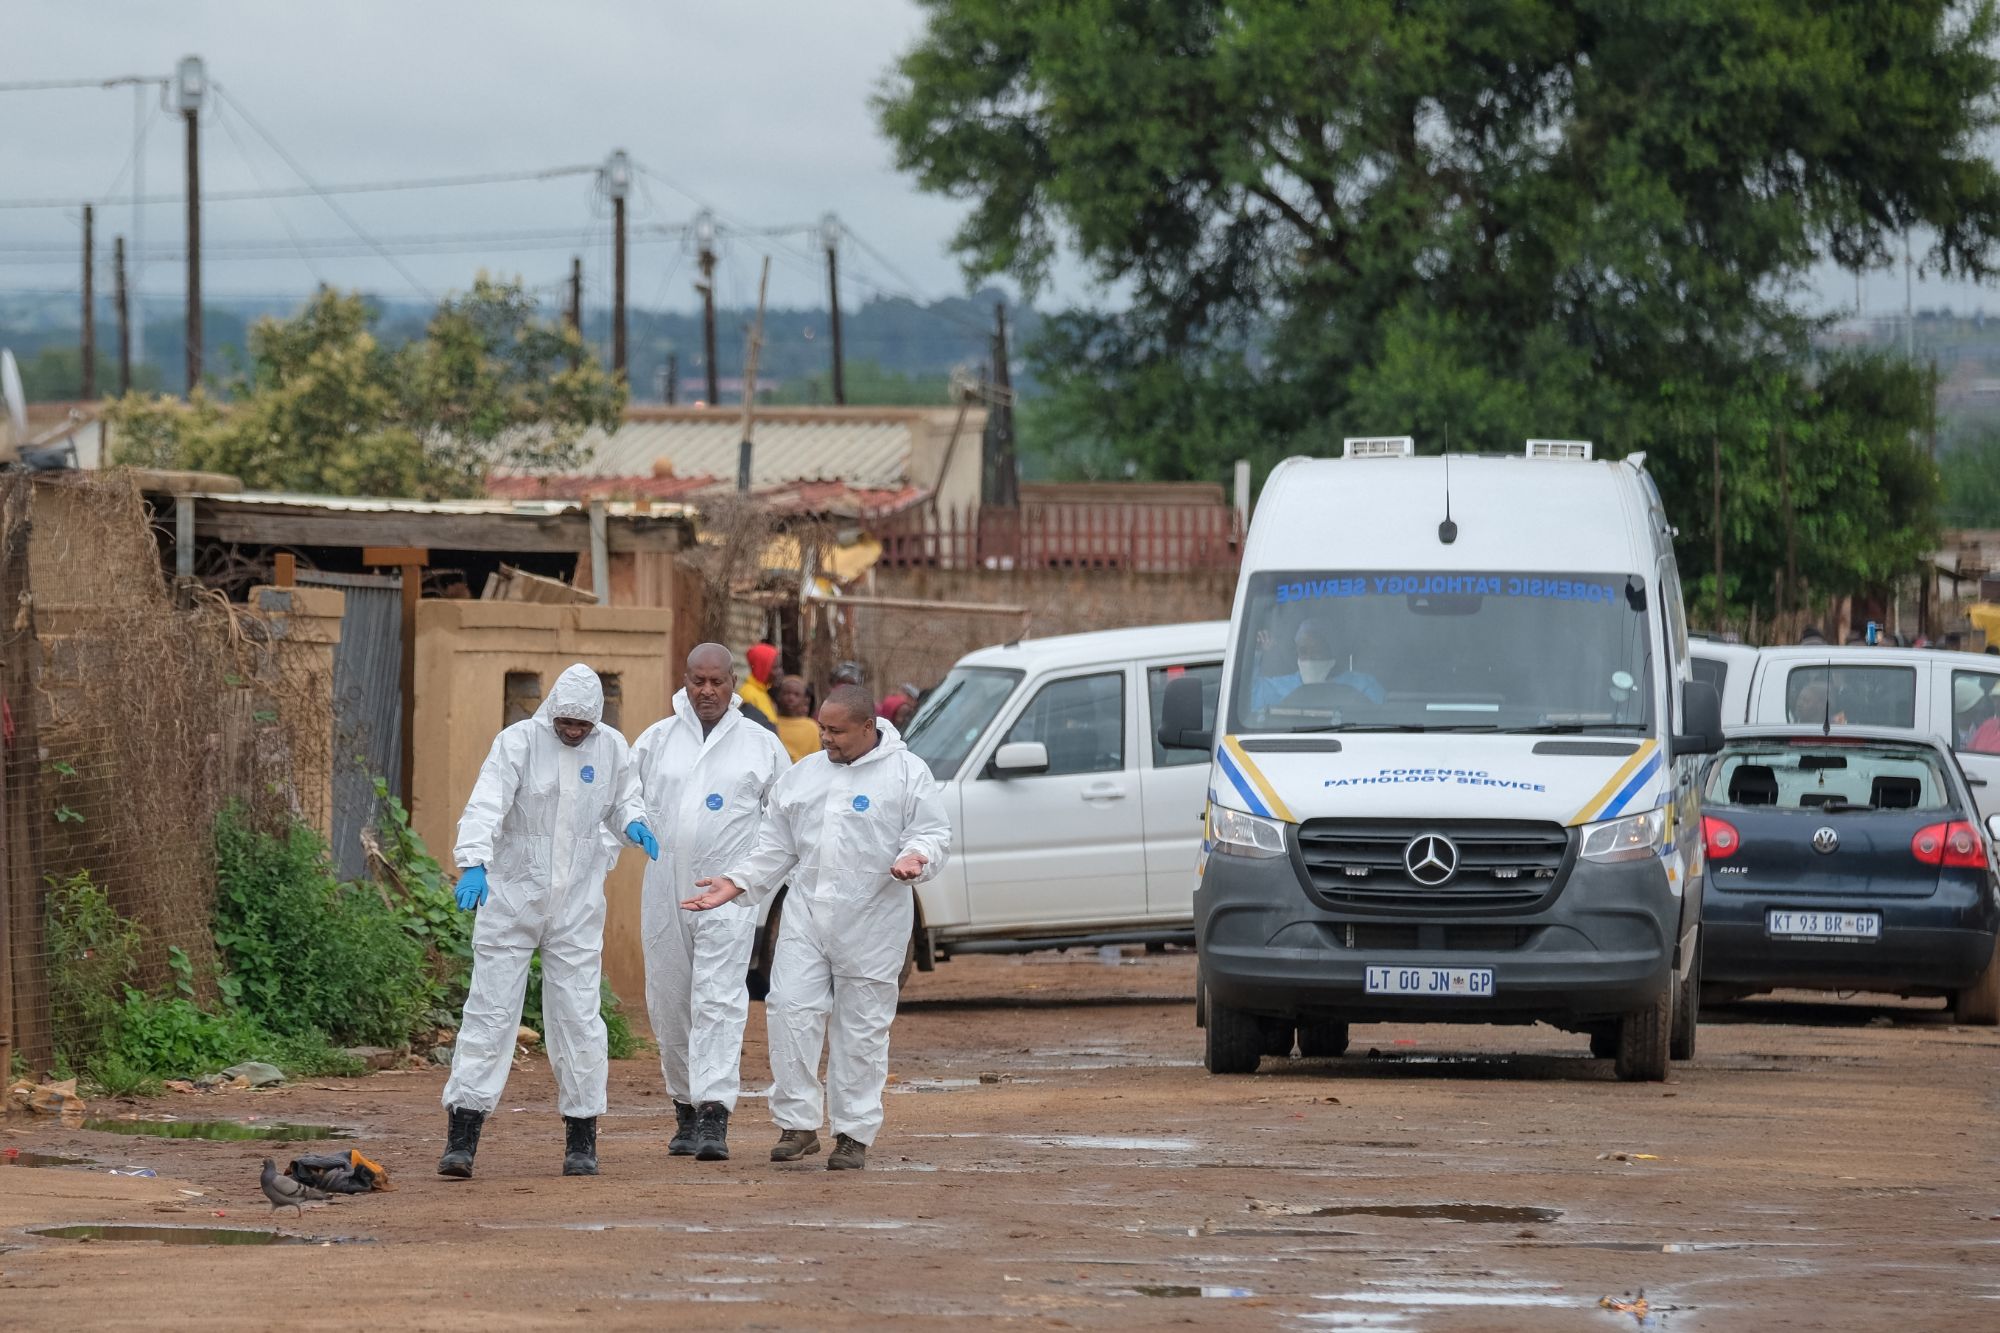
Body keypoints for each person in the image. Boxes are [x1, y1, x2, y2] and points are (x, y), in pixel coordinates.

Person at [680, 685, 951, 1172]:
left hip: (874, 922)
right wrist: (736, 883)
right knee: (789, 1012)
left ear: (868, 727)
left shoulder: (907, 773)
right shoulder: (804, 777)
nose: (824, 738)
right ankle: (798, 1125)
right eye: (822, 728)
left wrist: (917, 857)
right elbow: (774, 846)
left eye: (836, 731)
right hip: (806, 917)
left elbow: (931, 832)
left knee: (861, 1029)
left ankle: (852, 1133)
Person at [438, 664, 659, 1180]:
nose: (574, 731)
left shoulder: (611, 749)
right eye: (566, 722)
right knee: (490, 1015)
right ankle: (462, 1137)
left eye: (583, 725)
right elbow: (486, 804)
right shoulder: (517, 744)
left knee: (579, 1017)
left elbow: (623, 800)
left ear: (596, 721)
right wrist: (474, 861)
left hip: (576, 908)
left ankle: (582, 1138)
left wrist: (635, 823)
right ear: (552, 710)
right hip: (512, 899)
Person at [631, 644, 794, 1163]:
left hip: (728, 894)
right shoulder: (657, 741)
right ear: (684, 680)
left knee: (720, 1001)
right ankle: (684, 1107)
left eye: (717, 682)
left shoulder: (760, 746)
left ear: (732, 683)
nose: (707, 691)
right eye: (697, 681)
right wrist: (631, 822)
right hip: (664, 891)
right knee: (670, 1002)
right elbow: (622, 798)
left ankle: (713, 1117)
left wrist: (751, 880)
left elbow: (785, 820)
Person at [1251, 619, 1385, 712]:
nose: (1309, 657)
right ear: (1297, 652)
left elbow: (1380, 717)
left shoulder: (1363, 685)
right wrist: (1255, 652)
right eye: (1303, 651)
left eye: (1318, 650)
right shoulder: (1278, 687)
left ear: (1332, 652)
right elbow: (1246, 697)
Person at [773, 673, 821, 762]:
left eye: (796, 695)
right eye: (786, 693)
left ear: (805, 699)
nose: (791, 698)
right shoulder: (771, 722)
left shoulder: (812, 727)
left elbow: (816, 760)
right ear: (778, 696)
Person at [738, 642, 781, 733]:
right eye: (775, 668)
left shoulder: (763, 692)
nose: (780, 672)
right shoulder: (749, 694)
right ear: (763, 668)